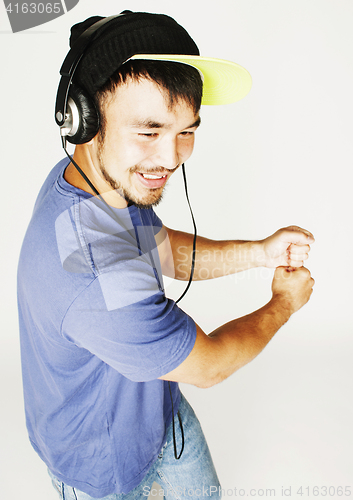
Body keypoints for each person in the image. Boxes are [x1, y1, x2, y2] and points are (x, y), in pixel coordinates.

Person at [17, 10, 315, 500]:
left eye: (186, 131)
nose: (172, 156)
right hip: (102, 468)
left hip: (159, 408)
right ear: (83, 120)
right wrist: (283, 303)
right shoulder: (92, 273)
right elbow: (211, 365)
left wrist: (260, 254)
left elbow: (161, 249)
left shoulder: (99, 183)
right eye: (149, 130)